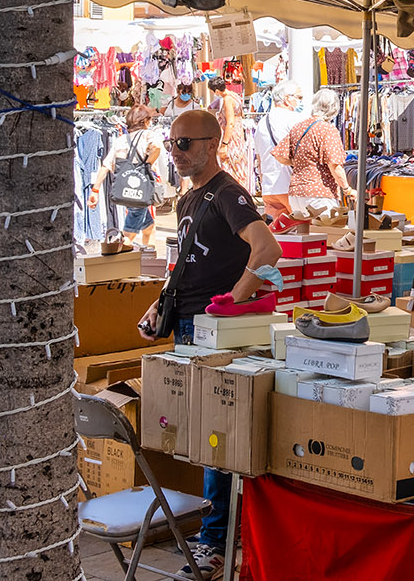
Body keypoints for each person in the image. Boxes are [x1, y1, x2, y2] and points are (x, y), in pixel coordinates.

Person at [136, 109, 280, 580]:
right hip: (189, 328)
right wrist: (162, 304)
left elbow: (267, 248)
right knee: (201, 436)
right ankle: (217, 537)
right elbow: (187, 266)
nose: (176, 153)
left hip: (213, 333)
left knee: (215, 438)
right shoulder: (189, 200)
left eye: (186, 144)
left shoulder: (227, 193)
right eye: (172, 142)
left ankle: (215, 544)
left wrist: (232, 302)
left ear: (212, 143)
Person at [87, 104, 164, 249]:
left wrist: (95, 191)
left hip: (125, 190)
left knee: (149, 228)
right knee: (128, 235)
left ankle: (147, 257)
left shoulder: (121, 140)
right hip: (140, 192)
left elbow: (106, 166)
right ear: (145, 121)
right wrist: (147, 164)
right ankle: (119, 263)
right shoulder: (148, 136)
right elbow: (157, 147)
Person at [272, 89, 355, 217]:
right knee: (328, 234)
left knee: (306, 234)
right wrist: (347, 189)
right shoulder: (328, 130)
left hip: (296, 194)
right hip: (320, 194)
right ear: (334, 109)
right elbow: (334, 165)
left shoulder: (299, 127)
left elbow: (279, 155)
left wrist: (300, 161)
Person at [251, 81, 303, 218]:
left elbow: (260, 160)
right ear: (287, 98)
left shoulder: (262, 122)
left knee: (277, 233)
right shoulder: (294, 119)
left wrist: (263, 184)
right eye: (299, 97)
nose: (300, 102)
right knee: (302, 231)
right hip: (289, 185)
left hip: (269, 187)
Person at [209, 78, 251, 191]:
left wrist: (224, 144)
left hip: (231, 138)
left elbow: (230, 122)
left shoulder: (227, 100)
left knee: (231, 167)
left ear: (217, 90)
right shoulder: (234, 96)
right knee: (238, 167)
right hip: (238, 135)